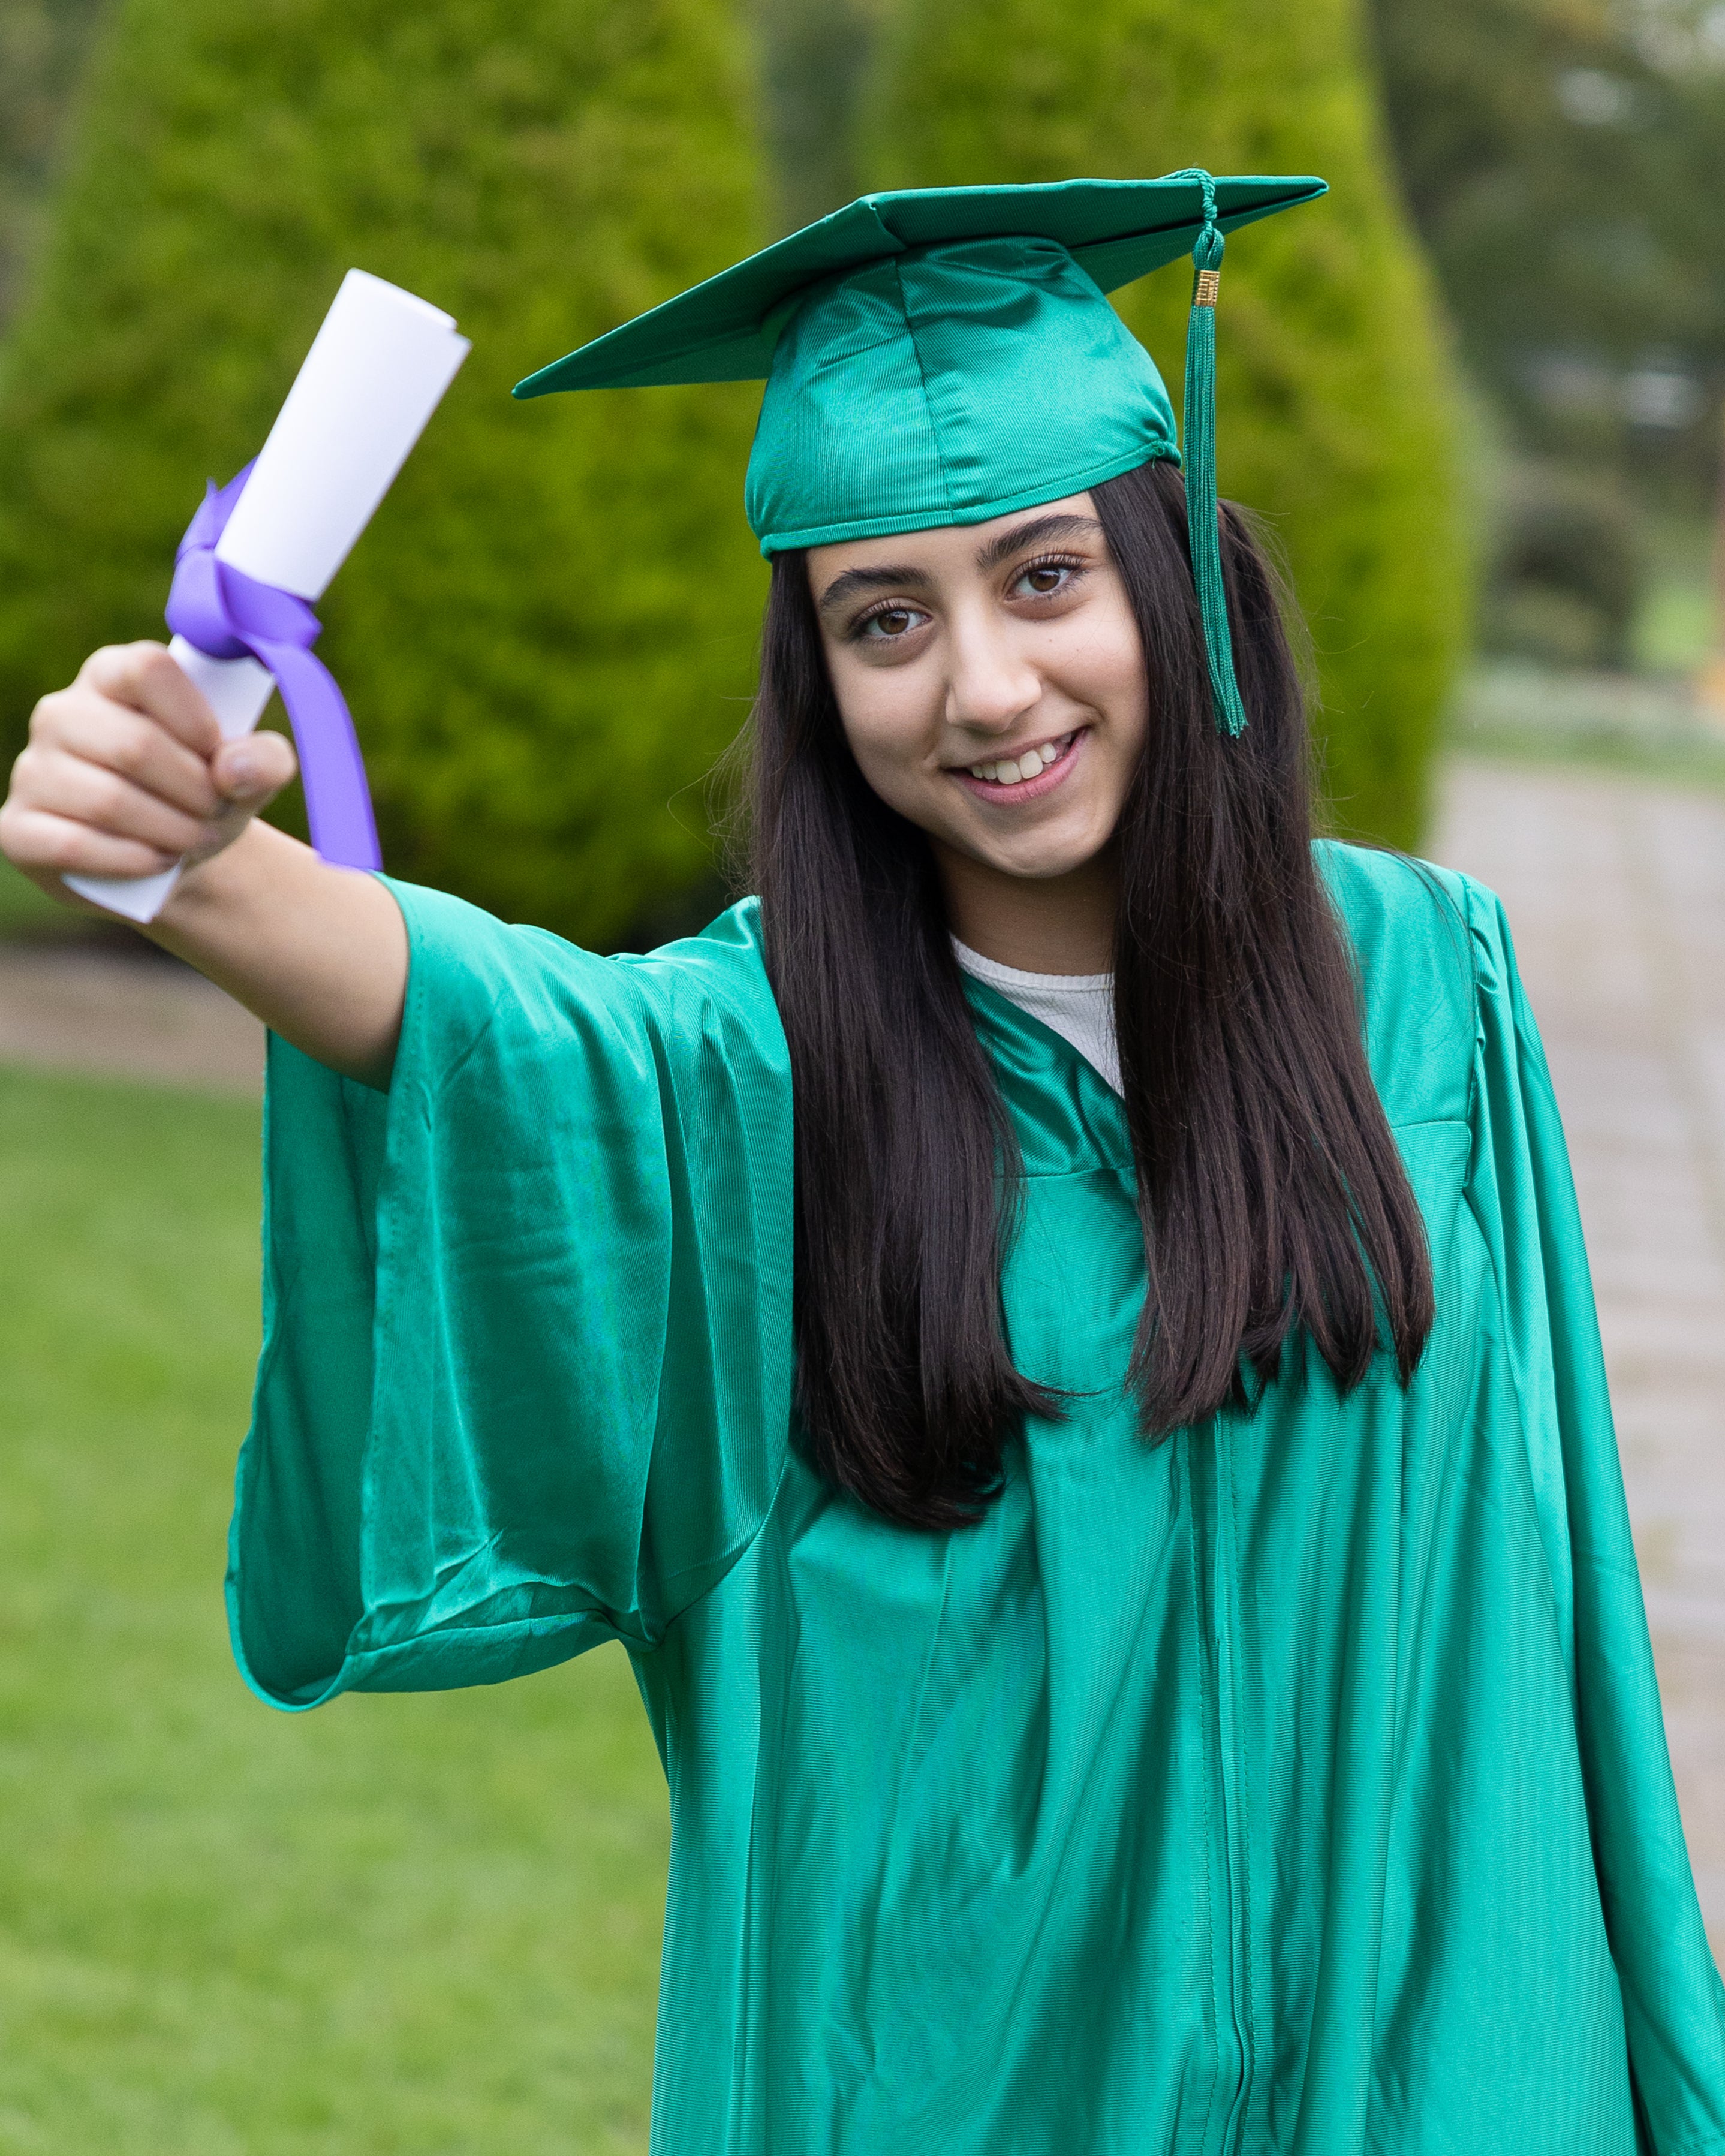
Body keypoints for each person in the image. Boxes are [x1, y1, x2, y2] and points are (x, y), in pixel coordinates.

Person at [3, 170, 1723, 2154]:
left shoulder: (1425, 981)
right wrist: (203, 869)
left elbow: (1565, 1576)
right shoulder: (755, 1075)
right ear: (820, 680)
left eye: (1046, 577)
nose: (982, 685)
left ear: (1176, 572)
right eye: (885, 618)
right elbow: (501, 1024)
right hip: (961, 2092)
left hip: (1438, 2069)